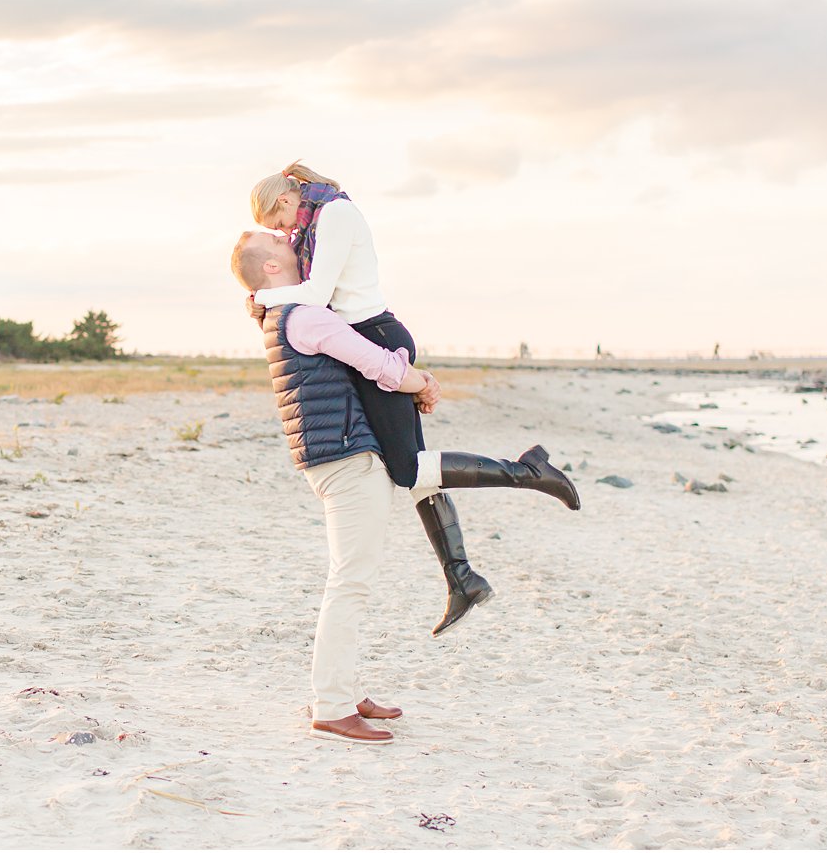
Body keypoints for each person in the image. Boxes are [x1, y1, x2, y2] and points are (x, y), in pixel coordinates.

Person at [231, 231, 581, 744]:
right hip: (347, 459)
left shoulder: (283, 315)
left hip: (334, 455)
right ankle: (331, 707)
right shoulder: (305, 316)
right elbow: (373, 362)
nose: (293, 240)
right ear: (269, 269)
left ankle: (344, 692)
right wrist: (423, 383)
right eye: (278, 242)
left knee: (350, 580)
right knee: (348, 584)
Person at [247, 162, 581, 635]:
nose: (283, 233)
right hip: (364, 339)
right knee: (414, 465)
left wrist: (261, 293)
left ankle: (528, 473)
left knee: (407, 469)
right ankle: (460, 576)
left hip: (376, 337)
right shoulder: (314, 222)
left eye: (278, 224)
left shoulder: (336, 215)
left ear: (284, 201)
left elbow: (317, 294)